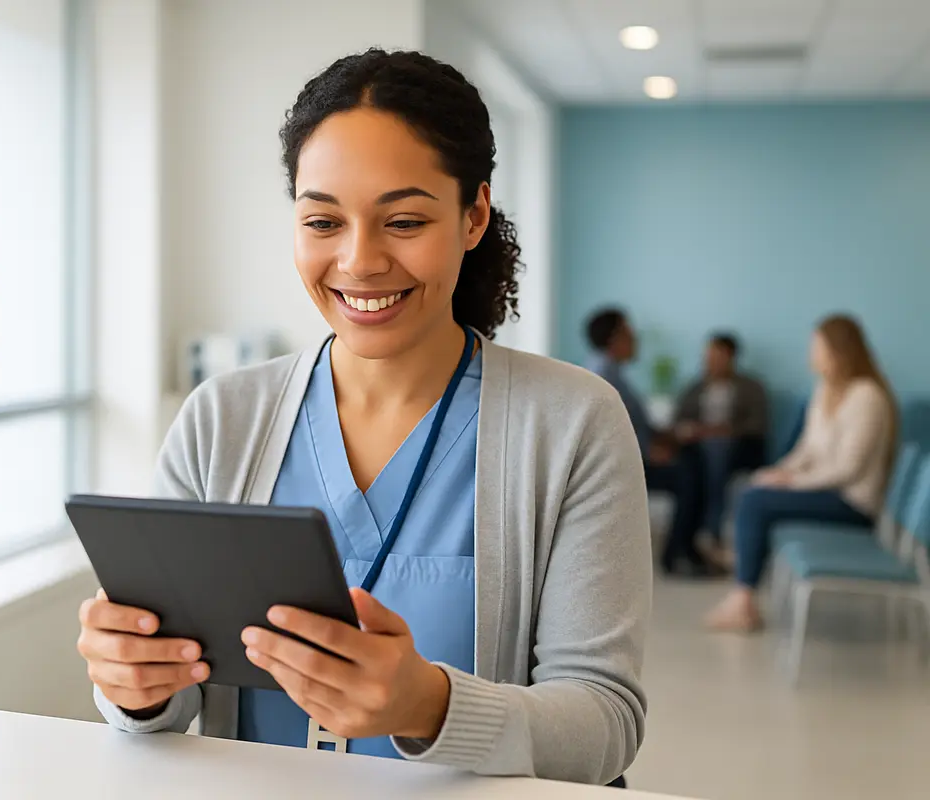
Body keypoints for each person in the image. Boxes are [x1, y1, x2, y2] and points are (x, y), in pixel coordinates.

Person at [76, 49, 651, 785]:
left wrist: (428, 706)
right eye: (322, 220)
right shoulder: (222, 419)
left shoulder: (572, 424)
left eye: (404, 220)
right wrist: (134, 683)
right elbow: (174, 696)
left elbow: (605, 724)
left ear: (473, 215)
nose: (359, 261)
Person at [705, 315, 898, 632]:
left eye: (818, 347)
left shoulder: (867, 396)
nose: (812, 354)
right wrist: (778, 472)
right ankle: (743, 580)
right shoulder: (826, 389)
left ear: (839, 350)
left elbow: (848, 470)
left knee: (756, 502)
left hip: (852, 504)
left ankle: (743, 598)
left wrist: (792, 483)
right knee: (755, 487)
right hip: (826, 491)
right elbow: (807, 449)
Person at [585, 308, 713, 576]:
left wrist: (668, 434)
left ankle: (686, 548)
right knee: (688, 477)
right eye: (630, 332)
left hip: (636, 453)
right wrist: (646, 451)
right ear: (615, 338)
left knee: (695, 456)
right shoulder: (602, 375)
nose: (636, 339)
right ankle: (677, 554)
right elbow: (606, 429)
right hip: (623, 463)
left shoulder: (612, 372)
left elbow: (634, 420)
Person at [672, 334, 769, 549]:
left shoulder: (752, 387)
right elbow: (678, 421)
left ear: (731, 357)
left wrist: (725, 430)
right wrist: (696, 431)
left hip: (739, 448)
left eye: (718, 356)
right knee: (698, 461)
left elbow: (758, 424)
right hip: (699, 450)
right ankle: (702, 533)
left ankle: (711, 528)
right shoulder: (695, 387)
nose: (711, 361)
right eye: (708, 356)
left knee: (718, 447)